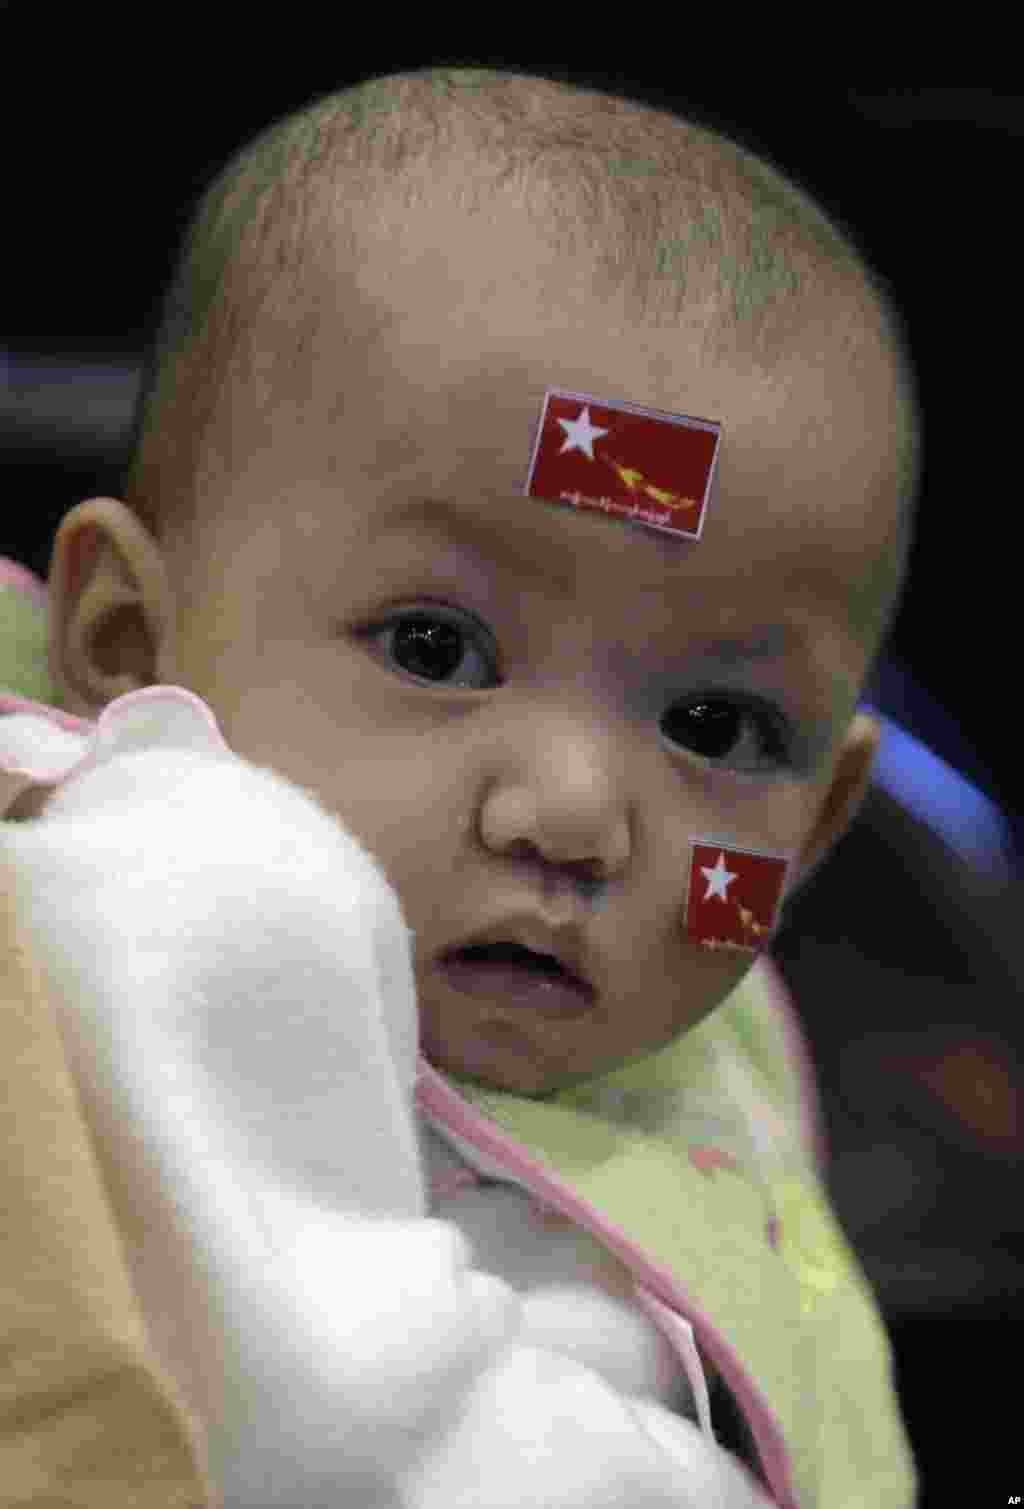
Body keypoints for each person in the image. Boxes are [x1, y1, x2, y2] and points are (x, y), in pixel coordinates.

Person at [0, 66, 920, 1507]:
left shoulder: (694, 1055)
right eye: (436, 647)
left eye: (721, 727)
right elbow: (325, 1435)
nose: (572, 810)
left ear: (814, 835)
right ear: (127, 644)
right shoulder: (182, 885)